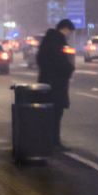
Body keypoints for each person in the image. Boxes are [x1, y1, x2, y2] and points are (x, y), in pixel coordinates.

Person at [37, 18, 76, 148]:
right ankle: (54, 141)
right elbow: (60, 62)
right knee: (56, 114)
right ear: (65, 29)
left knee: (49, 114)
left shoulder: (47, 40)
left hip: (47, 83)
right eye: (69, 32)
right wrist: (70, 68)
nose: (69, 35)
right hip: (56, 84)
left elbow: (41, 60)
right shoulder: (57, 41)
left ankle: (48, 140)